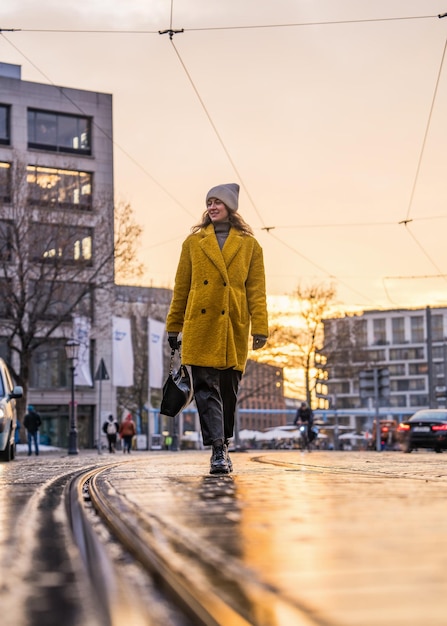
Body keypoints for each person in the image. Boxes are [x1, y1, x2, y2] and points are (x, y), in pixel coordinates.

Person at [166, 183, 268, 474]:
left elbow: (257, 290)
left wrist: (260, 327)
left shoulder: (250, 246)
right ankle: (218, 449)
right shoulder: (193, 243)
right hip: (200, 326)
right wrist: (174, 325)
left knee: (228, 391)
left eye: (217, 202)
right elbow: (181, 287)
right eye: (209, 202)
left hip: (232, 326)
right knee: (205, 389)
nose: (211, 207)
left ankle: (223, 441)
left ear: (230, 207)